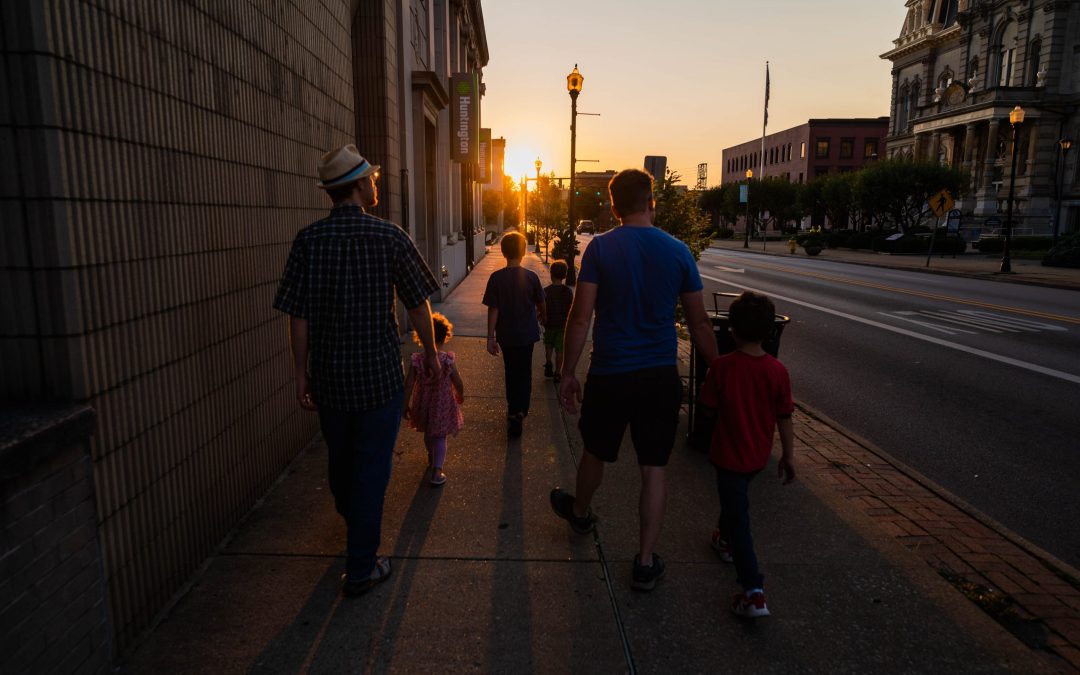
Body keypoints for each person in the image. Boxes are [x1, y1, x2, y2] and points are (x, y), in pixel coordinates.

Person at [273, 144, 440, 598]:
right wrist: (429, 355)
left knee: (342, 464)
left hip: (329, 378)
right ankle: (362, 566)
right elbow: (418, 303)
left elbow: (298, 314)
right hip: (379, 378)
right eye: (372, 178)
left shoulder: (308, 241)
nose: (376, 183)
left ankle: (356, 526)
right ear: (359, 185)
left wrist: (301, 373)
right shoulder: (390, 237)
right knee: (370, 470)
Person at [550, 168, 720, 591]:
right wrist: (720, 368)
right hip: (659, 376)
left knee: (595, 451)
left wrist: (568, 371)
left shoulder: (600, 249)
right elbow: (699, 325)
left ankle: (583, 513)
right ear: (651, 202)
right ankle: (645, 561)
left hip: (610, 373)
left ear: (612, 207)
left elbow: (580, 318)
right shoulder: (678, 251)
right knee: (654, 469)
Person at [698, 291, 795, 618]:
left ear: (732, 330)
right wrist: (789, 456)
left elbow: (708, 409)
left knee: (739, 515)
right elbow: (784, 417)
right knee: (734, 502)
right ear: (770, 332)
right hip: (757, 457)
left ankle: (753, 590)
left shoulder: (722, 369)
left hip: (728, 455)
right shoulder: (778, 371)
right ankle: (722, 538)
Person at [482, 231, 545, 438]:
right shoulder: (532, 277)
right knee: (524, 371)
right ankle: (521, 410)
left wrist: (490, 337)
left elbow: (494, 309)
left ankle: (513, 408)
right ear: (523, 250)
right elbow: (541, 302)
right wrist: (542, 317)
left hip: (506, 335)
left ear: (503, 252)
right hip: (526, 334)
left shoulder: (496, 278)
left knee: (510, 371)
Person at [403, 312, 465, 487]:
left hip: (423, 404)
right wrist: (460, 393)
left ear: (420, 337)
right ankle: (437, 470)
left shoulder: (417, 360)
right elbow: (457, 381)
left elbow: (408, 384)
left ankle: (432, 456)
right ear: (445, 336)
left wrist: (405, 404)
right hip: (443, 404)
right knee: (440, 436)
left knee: (429, 433)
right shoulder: (447, 359)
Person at [542, 260, 574, 383]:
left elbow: (542, 306)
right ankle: (557, 373)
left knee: (549, 345)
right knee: (560, 349)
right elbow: (570, 308)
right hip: (562, 325)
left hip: (549, 324)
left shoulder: (546, 291)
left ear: (551, 274)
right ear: (565, 275)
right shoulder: (568, 292)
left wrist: (542, 316)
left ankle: (548, 362)